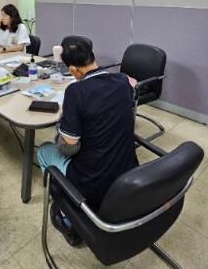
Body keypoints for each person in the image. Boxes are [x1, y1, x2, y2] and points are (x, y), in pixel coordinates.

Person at [37, 35, 138, 246]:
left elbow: (70, 147)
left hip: (92, 181)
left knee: (44, 150)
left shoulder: (75, 92)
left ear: (73, 70)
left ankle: (67, 212)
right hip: (128, 173)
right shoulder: (122, 81)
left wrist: (64, 121)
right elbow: (131, 85)